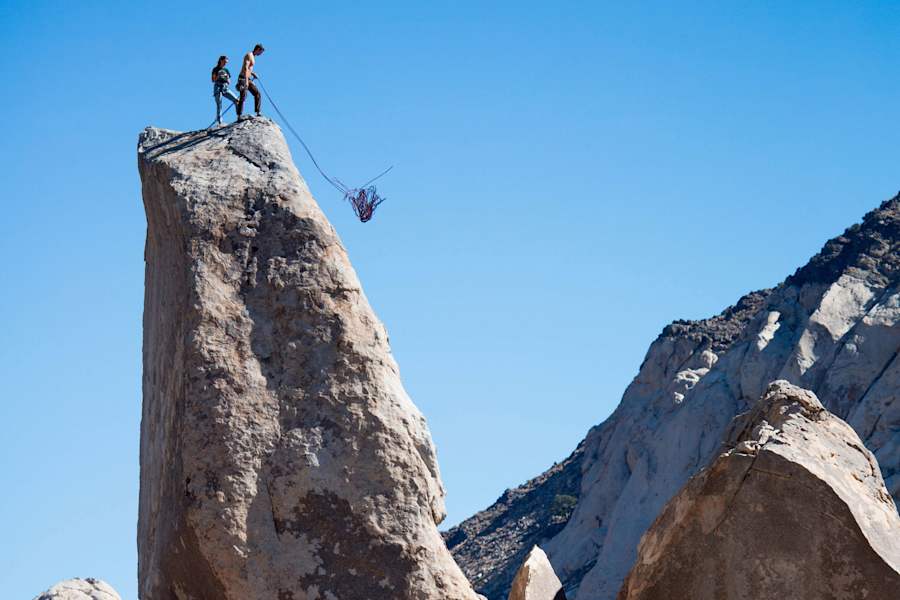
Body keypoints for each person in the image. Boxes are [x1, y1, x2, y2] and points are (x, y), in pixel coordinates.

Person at [236, 44, 265, 119]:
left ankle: (258, 112)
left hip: (248, 79)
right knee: (243, 96)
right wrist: (246, 81)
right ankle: (239, 115)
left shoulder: (253, 57)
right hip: (243, 78)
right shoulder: (249, 55)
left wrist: (252, 73)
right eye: (261, 52)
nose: (261, 54)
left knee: (257, 93)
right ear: (258, 49)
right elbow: (245, 68)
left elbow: (248, 69)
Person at [211, 55, 239, 126]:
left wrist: (226, 78)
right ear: (221, 60)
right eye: (224, 62)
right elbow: (213, 80)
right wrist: (218, 76)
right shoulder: (215, 69)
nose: (225, 63)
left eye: (226, 62)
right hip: (217, 87)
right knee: (219, 104)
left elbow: (229, 81)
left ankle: (239, 116)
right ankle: (220, 121)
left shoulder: (226, 70)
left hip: (225, 87)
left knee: (236, 100)